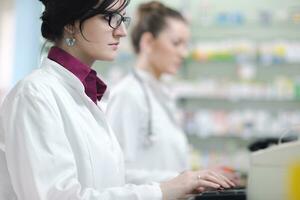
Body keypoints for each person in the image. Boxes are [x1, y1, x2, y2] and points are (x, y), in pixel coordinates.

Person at [0, 0, 234, 199]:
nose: (121, 31)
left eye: (122, 19)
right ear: (71, 24)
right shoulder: (34, 95)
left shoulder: (85, 95)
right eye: (109, 18)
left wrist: (183, 181)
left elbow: (111, 182)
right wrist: (162, 190)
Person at [106, 1, 193, 184]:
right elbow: (117, 173)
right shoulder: (127, 95)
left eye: (186, 45)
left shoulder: (160, 93)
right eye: (176, 43)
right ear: (148, 42)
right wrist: (183, 181)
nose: (184, 53)